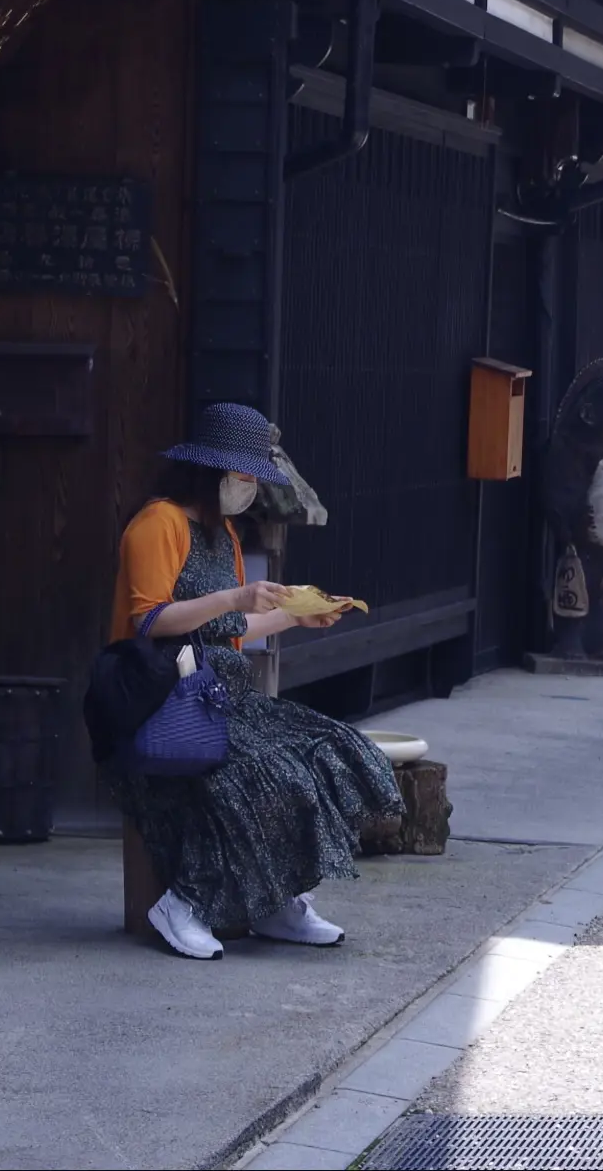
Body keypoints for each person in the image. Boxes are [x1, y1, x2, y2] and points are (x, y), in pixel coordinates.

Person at [109, 403, 402, 961]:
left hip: (227, 695)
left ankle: (276, 898)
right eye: (243, 478)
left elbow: (233, 628)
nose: (249, 490)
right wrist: (234, 598)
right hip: (162, 696)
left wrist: (297, 616)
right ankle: (184, 902)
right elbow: (149, 621)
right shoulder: (158, 523)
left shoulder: (227, 537)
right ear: (211, 471)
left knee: (330, 750)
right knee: (259, 771)